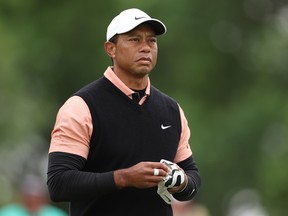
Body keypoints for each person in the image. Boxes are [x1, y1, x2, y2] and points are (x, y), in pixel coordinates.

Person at [47, 8, 201, 216]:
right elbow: (59, 183)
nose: (146, 48)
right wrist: (124, 178)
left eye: (152, 41)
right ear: (111, 49)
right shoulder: (82, 106)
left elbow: (192, 177)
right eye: (134, 40)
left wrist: (182, 183)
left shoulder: (171, 110)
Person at [0, 174, 67, 216]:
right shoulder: (7, 213)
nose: (33, 200)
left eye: (37, 197)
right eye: (30, 196)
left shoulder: (56, 214)